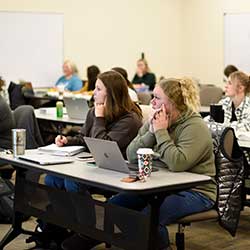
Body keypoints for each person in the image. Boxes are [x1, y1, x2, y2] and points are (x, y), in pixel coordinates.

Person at [108, 77, 216, 250]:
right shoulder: (157, 120)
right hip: (161, 187)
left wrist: (161, 132)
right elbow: (131, 154)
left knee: (149, 219)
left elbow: (177, 164)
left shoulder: (195, 126)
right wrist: (151, 132)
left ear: (172, 103)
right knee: (114, 207)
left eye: (157, 98)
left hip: (196, 191)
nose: (152, 102)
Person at [45, 70, 143, 192]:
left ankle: (81, 212)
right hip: (95, 164)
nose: (94, 93)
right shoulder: (95, 110)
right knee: (51, 179)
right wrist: (67, 141)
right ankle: (65, 211)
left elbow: (103, 147)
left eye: (98, 89)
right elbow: (84, 138)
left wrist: (99, 118)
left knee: (72, 183)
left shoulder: (129, 119)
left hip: (117, 171)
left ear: (111, 93)